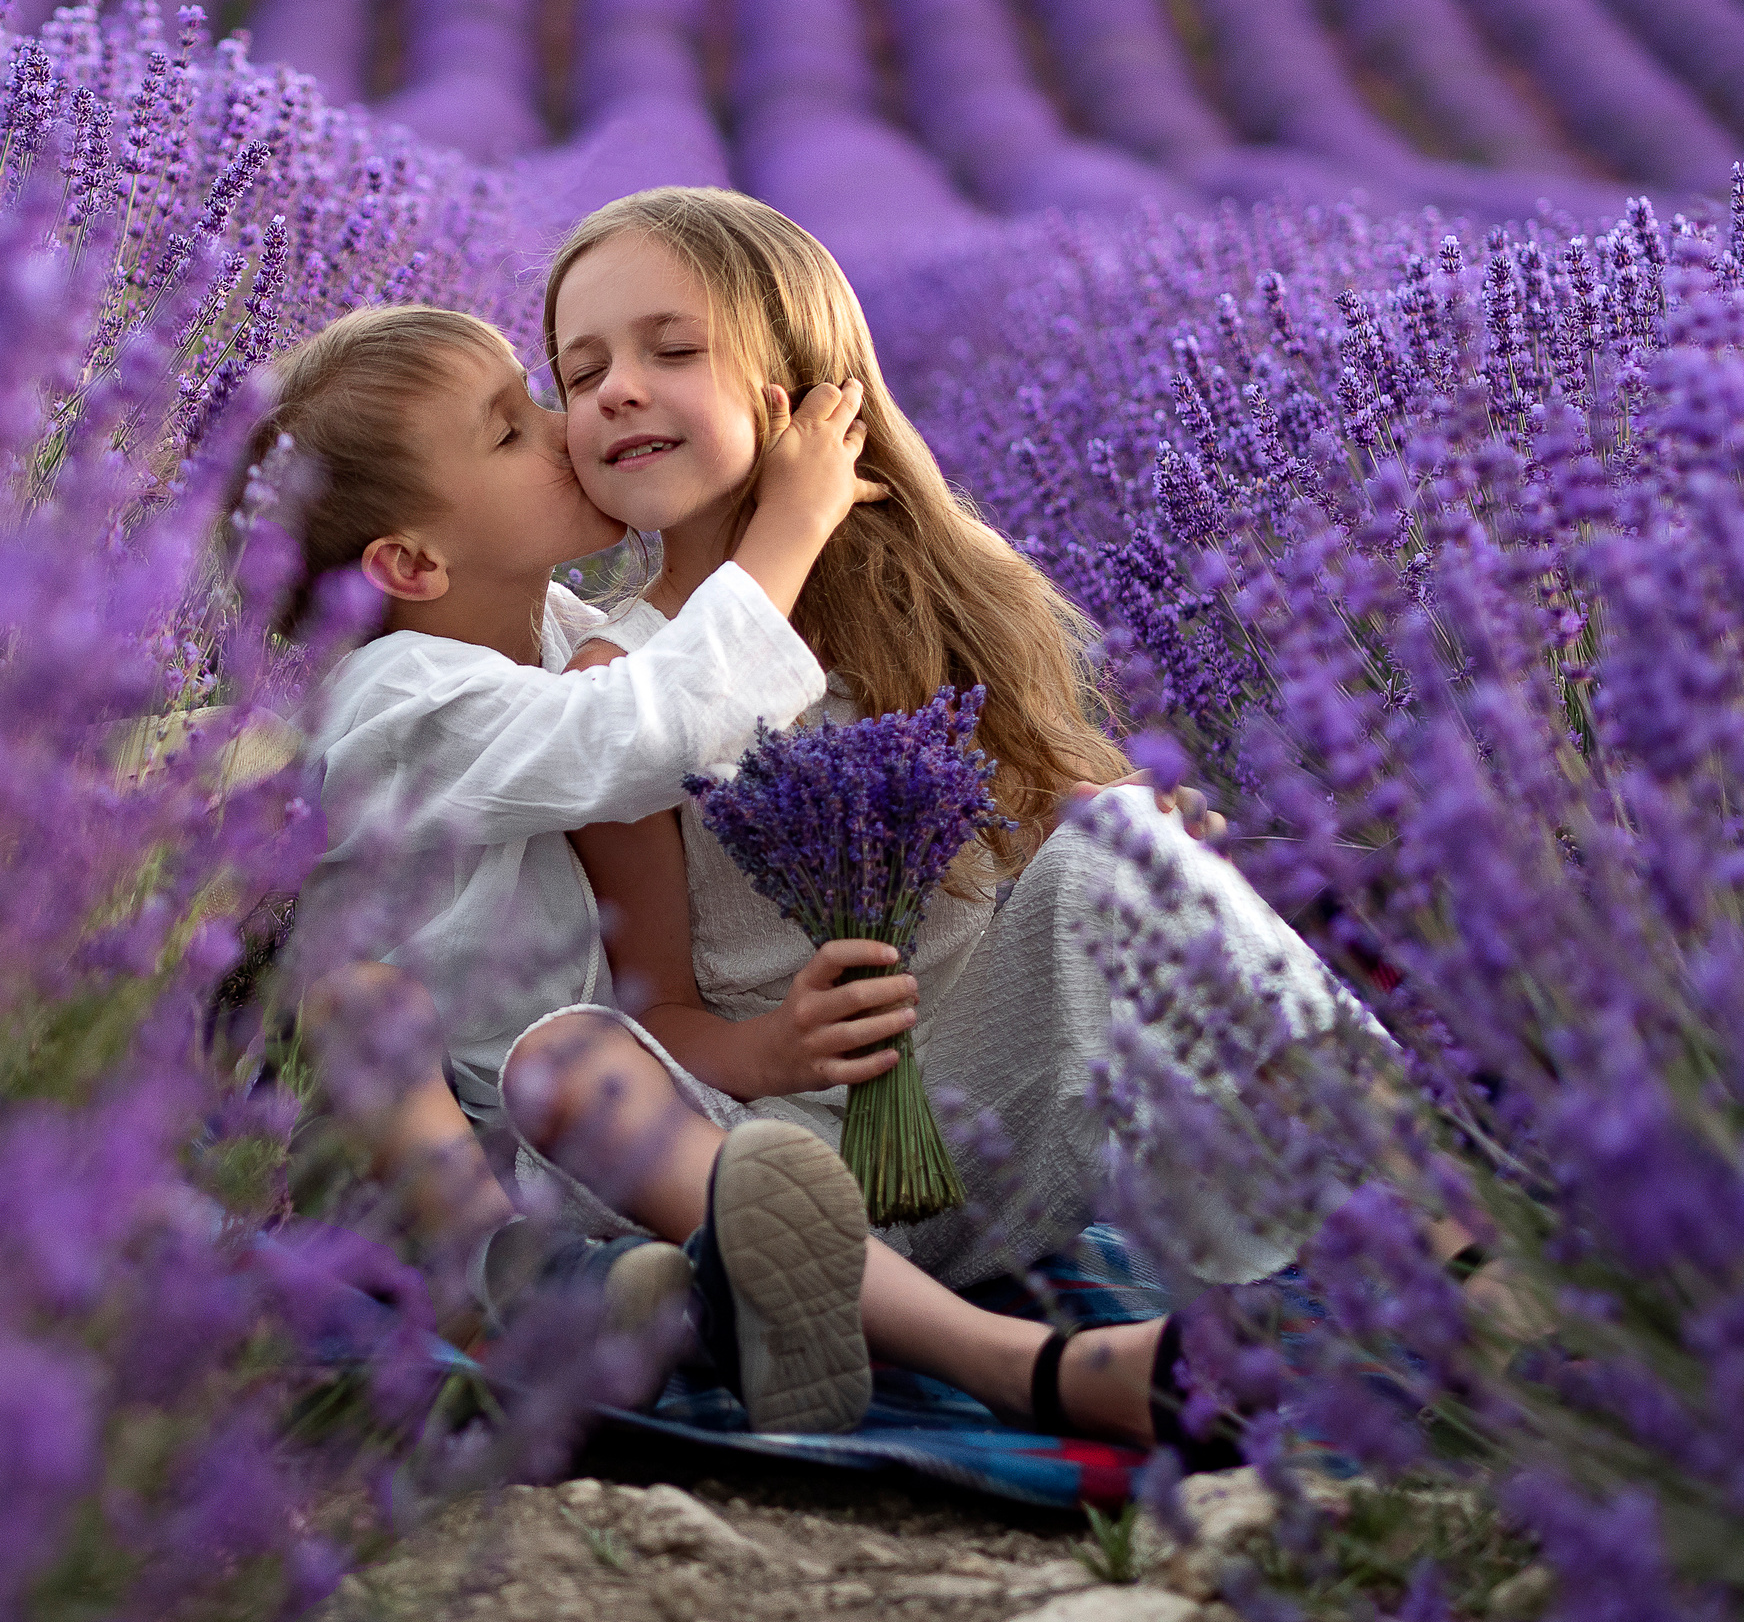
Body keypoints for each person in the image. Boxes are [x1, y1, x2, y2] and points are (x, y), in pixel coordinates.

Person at [250, 301, 1230, 1450]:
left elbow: (718, 717)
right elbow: (648, 729)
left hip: (636, 1119)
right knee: (438, 1023)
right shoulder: (398, 696)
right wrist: (790, 522)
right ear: (411, 562)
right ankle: (1016, 1366)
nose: (566, 422)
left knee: (588, 1069)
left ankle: (715, 1305)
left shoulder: (556, 628)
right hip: (498, 1140)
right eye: (511, 430)